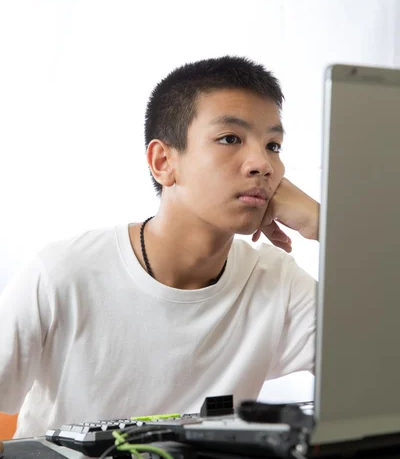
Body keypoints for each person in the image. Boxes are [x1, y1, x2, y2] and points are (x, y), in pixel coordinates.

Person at [0, 56, 319, 438]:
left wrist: (328, 225)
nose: (262, 164)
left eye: (273, 145)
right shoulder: (61, 273)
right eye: (230, 139)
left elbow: (382, 371)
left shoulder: (276, 283)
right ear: (163, 161)